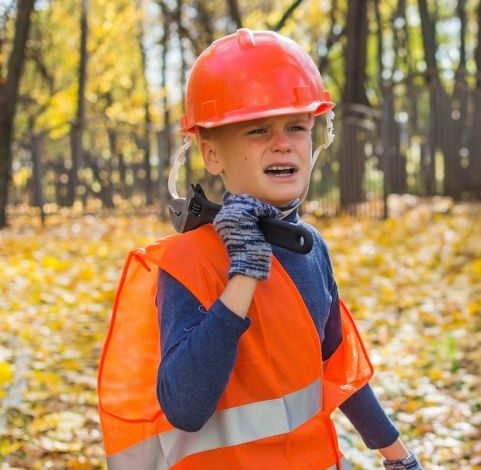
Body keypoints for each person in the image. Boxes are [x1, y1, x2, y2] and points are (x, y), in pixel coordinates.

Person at [97, 29, 422, 470]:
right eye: (258, 130)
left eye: (295, 127)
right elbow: (186, 406)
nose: (282, 142)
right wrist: (244, 272)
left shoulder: (310, 249)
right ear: (212, 154)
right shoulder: (188, 262)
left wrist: (395, 452)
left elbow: (335, 361)